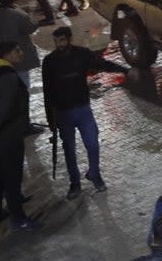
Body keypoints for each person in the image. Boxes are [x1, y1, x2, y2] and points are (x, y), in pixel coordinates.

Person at [42, 26, 129, 200]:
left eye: (62, 40)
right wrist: (52, 121)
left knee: (93, 145)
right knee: (69, 151)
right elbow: (48, 91)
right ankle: (75, 183)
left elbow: (102, 64)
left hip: (83, 109)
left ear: (69, 39)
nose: (59, 44)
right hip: (63, 113)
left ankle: (94, 174)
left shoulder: (81, 54)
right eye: (56, 41)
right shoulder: (50, 61)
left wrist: (124, 69)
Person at [0, 41, 42, 230]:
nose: (20, 53)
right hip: (8, 135)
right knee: (12, 178)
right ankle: (19, 220)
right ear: (7, 55)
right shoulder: (8, 77)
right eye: (17, 50)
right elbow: (6, 109)